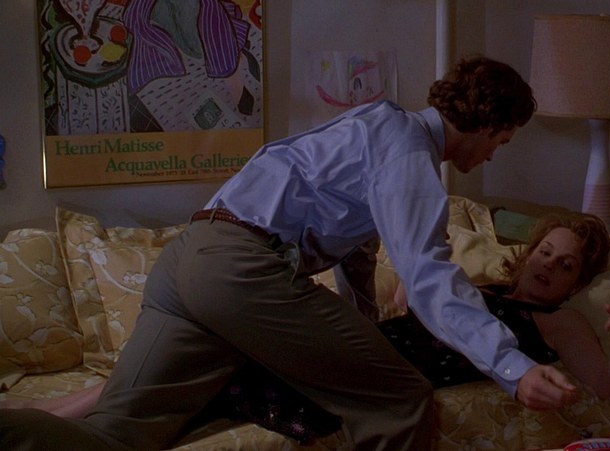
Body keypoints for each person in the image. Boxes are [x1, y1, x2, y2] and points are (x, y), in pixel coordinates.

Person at [0, 56, 572, 451]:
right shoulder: (408, 153)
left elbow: (358, 249)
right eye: (501, 141)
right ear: (489, 122)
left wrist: (364, 330)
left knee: (114, 436)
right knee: (400, 397)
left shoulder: (374, 125)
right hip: (240, 273)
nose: (493, 156)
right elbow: (427, 272)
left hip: (187, 261)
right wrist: (513, 367)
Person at [0, 211, 610, 443]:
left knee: (215, 378)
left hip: (379, 372)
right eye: (545, 252)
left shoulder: (560, 322)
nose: (547, 266)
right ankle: (48, 416)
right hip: (373, 345)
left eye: (565, 265)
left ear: (576, 282)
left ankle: (52, 421)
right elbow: (416, 308)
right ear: (529, 251)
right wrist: (413, 287)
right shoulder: (477, 287)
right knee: (207, 357)